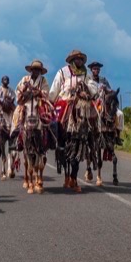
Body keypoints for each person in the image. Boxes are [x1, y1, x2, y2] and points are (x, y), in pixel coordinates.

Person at [49, 49, 92, 191]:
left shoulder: (86, 74)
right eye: (76, 58)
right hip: (65, 101)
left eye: (81, 59)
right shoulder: (62, 72)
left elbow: (92, 87)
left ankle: (91, 142)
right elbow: (55, 89)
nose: (79, 61)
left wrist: (87, 92)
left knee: (93, 120)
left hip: (81, 103)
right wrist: (50, 102)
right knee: (55, 122)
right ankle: (58, 143)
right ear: (72, 60)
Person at [11, 59, 51, 136]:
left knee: (48, 114)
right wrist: (25, 90)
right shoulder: (25, 79)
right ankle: (16, 131)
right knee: (17, 112)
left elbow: (46, 91)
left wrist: (39, 92)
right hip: (26, 101)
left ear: (40, 71)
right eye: (34, 69)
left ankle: (49, 132)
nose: (36, 71)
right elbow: (18, 91)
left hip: (39, 101)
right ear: (31, 70)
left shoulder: (43, 80)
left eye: (38, 70)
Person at [88, 61, 123, 144]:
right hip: (92, 103)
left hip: (104, 103)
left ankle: (117, 135)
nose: (96, 70)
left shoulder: (103, 80)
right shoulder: (88, 79)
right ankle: (87, 132)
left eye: (98, 69)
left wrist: (106, 89)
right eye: (94, 69)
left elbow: (110, 91)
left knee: (120, 114)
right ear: (91, 70)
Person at [0, 75, 16, 144]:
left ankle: (16, 133)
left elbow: (13, 99)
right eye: (4, 80)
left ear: (9, 82)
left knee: (17, 114)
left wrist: (8, 104)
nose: (6, 81)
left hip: (9, 106)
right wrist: (0, 104)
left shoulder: (11, 90)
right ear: (2, 81)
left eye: (7, 80)